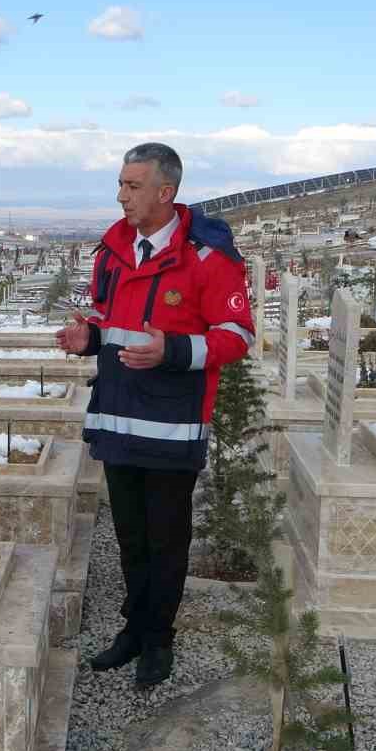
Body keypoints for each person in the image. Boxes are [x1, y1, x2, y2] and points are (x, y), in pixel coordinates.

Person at [55, 142, 255, 689]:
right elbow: (106, 321)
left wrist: (172, 351)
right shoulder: (112, 252)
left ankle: (159, 639)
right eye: (120, 184)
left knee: (167, 539)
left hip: (171, 426)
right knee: (129, 536)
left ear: (166, 193)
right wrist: (85, 338)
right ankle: (133, 629)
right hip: (118, 419)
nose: (121, 195)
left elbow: (236, 337)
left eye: (133, 185)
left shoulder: (209, 259)